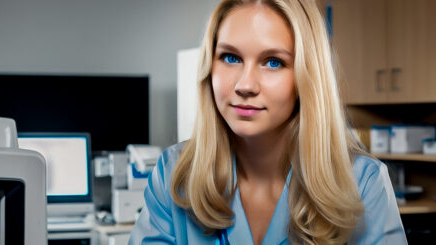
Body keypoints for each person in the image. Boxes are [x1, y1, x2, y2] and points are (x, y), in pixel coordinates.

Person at [129, 0, 407, 244]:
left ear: (305, 79)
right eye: (230, 57)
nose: (245, 85)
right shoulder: (173, 175)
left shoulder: (363, 183)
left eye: (273, 62)